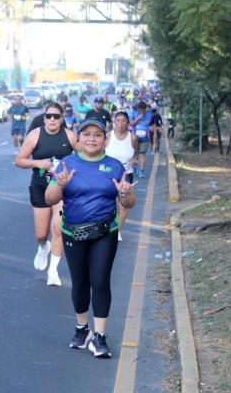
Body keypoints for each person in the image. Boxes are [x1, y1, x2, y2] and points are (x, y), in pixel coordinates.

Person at [45, 119, 136, 358]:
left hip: (104, 232)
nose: (92, 139)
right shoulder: (67, 163)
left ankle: (100, 336)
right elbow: (50, 199)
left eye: (97, 134)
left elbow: (129, 202)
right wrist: (59, 185)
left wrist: (124, 194)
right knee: (80, 282)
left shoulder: (114, 166)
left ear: (105, 139)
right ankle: (82, 328)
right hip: (73, 232)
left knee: (100, 280)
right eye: (87, 134)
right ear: (79, 139)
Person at [14, 101, 78, 286]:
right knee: (41, 234)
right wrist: (37, 163)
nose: (52, 119)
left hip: (62, 188)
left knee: (58, 227)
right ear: (44, 118)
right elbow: (19, 160)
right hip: (40, 185)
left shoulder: (70, 136)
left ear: (61, 119)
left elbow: (84, 156)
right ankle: (43, 247)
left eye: (56, 116)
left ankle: (53, 271)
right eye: (49, 116)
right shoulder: (35, 135)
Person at [105, 111, 138, 242]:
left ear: (128, 122)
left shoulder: (132, 138)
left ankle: (117, 230)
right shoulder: (108, 136)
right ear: (114, 121)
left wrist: (134, 160)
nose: (120, 123)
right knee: (110, 203)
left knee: (124, 205)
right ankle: (106, 228)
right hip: (108, 175)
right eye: (117, 120)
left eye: (123, 120)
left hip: (125, 175)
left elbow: (135, 152)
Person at [129, 101, 153, 178]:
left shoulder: (149, 115)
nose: (142, 111)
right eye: (140, 110)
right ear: (138, 109)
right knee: (135, 153)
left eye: (143, 110)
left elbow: (153, 124)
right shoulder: (134, 114)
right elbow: (130, 124)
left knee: (142, 154)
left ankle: (141, 170)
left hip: (145, 138)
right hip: (135, 137)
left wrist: (153, 132)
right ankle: (134, 167)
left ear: (145, 109)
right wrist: (138, 118)